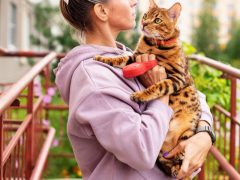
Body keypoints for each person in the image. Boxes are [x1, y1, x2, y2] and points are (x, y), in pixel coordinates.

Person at [54, 0, 213, 179]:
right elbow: (142, 152)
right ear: (102, 11)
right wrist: (161, 93)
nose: (134, 2)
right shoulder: (95, 81)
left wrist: (204, 132)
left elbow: (191, 92)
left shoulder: (126, 56)